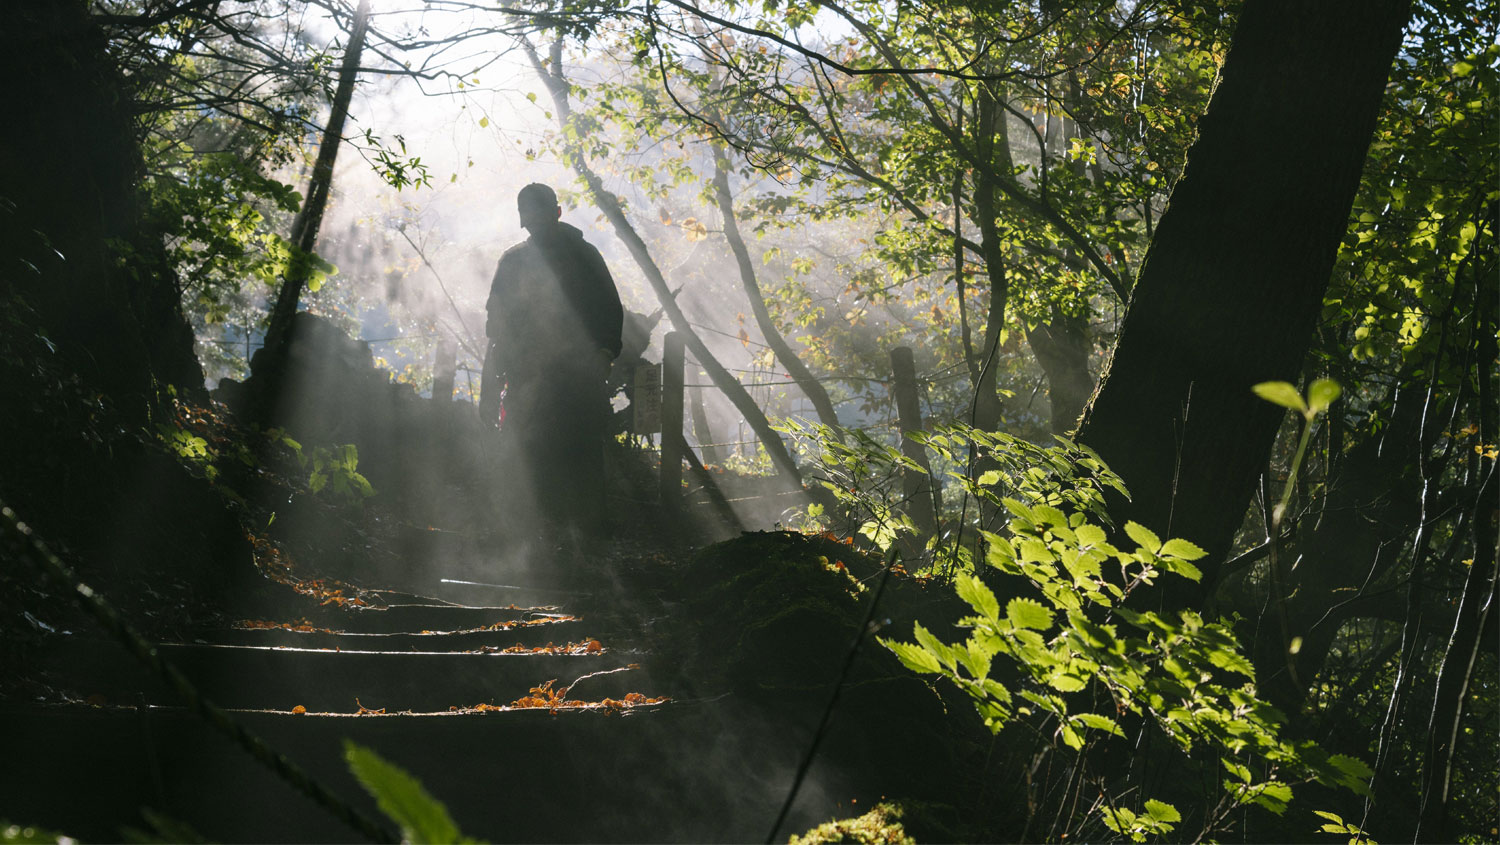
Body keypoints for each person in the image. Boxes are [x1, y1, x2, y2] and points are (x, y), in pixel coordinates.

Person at [479, 183, 623, 539]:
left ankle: (587, 543)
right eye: (529, 219)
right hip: (528, 379)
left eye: (540, 216)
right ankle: (538, 540)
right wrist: (496, 377)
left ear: (557, 214)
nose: (535, 224)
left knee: (581, 456)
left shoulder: (585, 256)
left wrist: (604, 353)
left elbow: (609, 309)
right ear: (522, 221)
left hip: (578, 377)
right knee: (531, 456)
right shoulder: (513, 262)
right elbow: (497, 324)